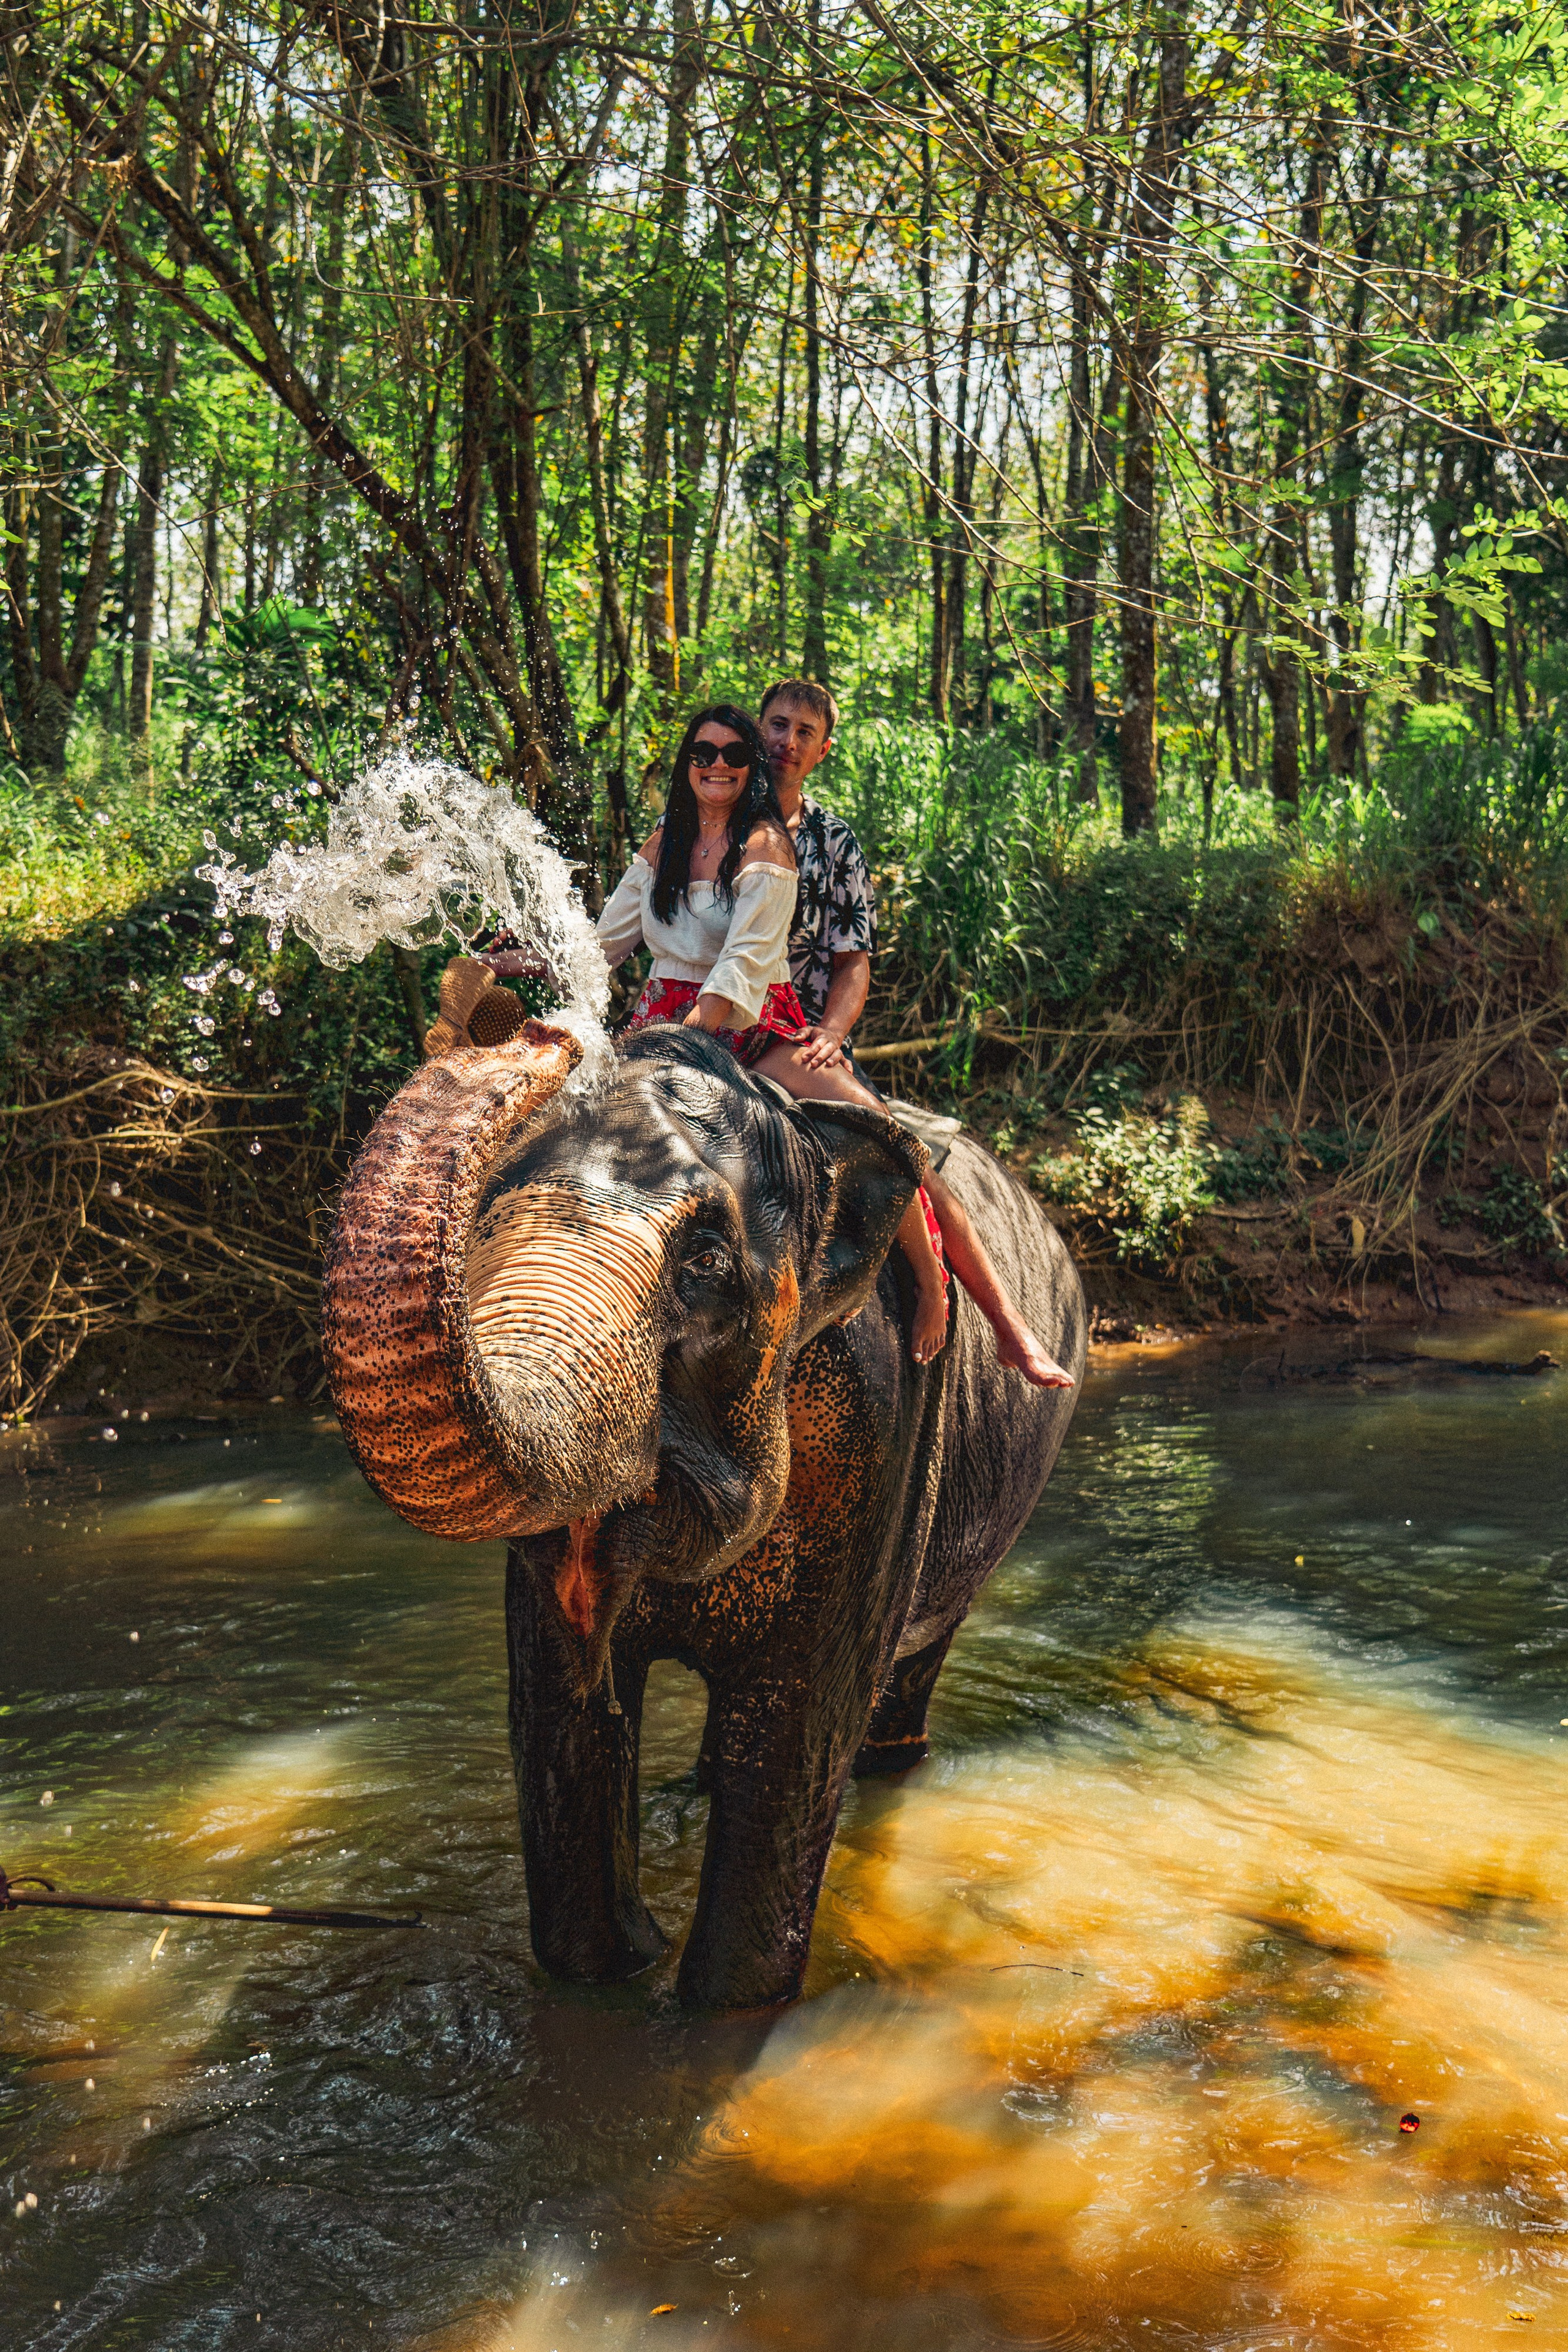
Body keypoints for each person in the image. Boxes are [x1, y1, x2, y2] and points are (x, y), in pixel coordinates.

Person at [587, 704, 953, 1365]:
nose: (717, 766)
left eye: (733, 755)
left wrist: (691, 1036)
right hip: (661, 1016)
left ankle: (930, 1280)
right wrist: (513, 958)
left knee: (874, 1129)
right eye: (704, 753)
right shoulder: (664, 837)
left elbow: (743, 966)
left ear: (750, 767)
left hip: (753, 1020)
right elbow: (602, 944)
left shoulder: (767, 845)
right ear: (687, 763)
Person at [757, 676, 1072, 1390]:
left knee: (903, 1154)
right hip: (715, 1024)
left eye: (805, 733)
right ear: (757, 727)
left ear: (823, 751)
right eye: (777, 725)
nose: (787, 742)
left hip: (800, 1036)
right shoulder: (716, 812)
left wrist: (832, 1032)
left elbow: (852, 962)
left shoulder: (833, 842)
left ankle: (1001, 1321)